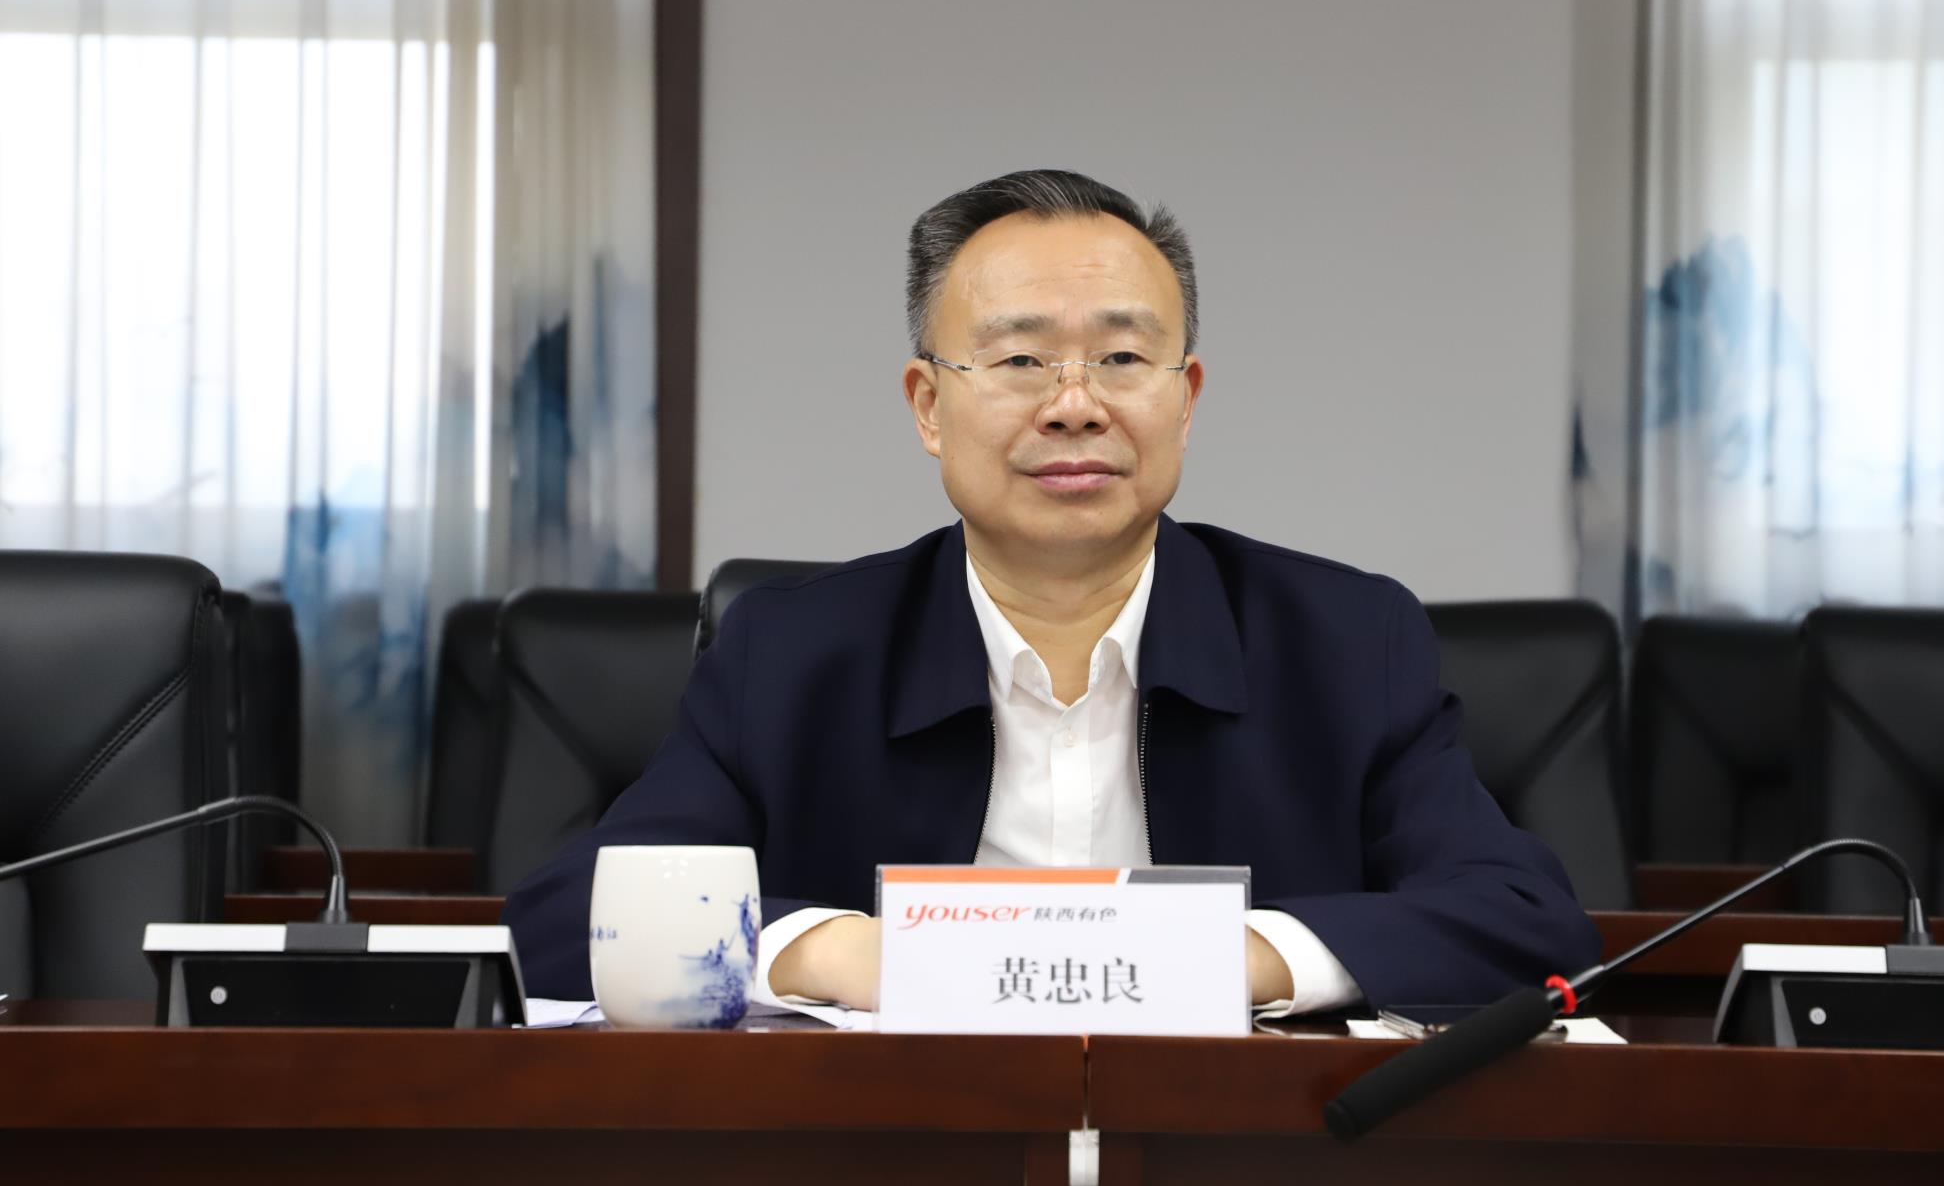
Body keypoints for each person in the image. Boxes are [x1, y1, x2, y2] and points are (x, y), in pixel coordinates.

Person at [504, 169, 1600, 1013]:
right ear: (928, 406)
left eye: (1121, 359)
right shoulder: (787, 652)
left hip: (1237, 1170)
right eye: (1021, 361)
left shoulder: (1348, 642)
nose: (1075, 405)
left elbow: (1524, 922)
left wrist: (1236, 959)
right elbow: (564, 916)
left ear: (1185, 398)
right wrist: (848, 953)